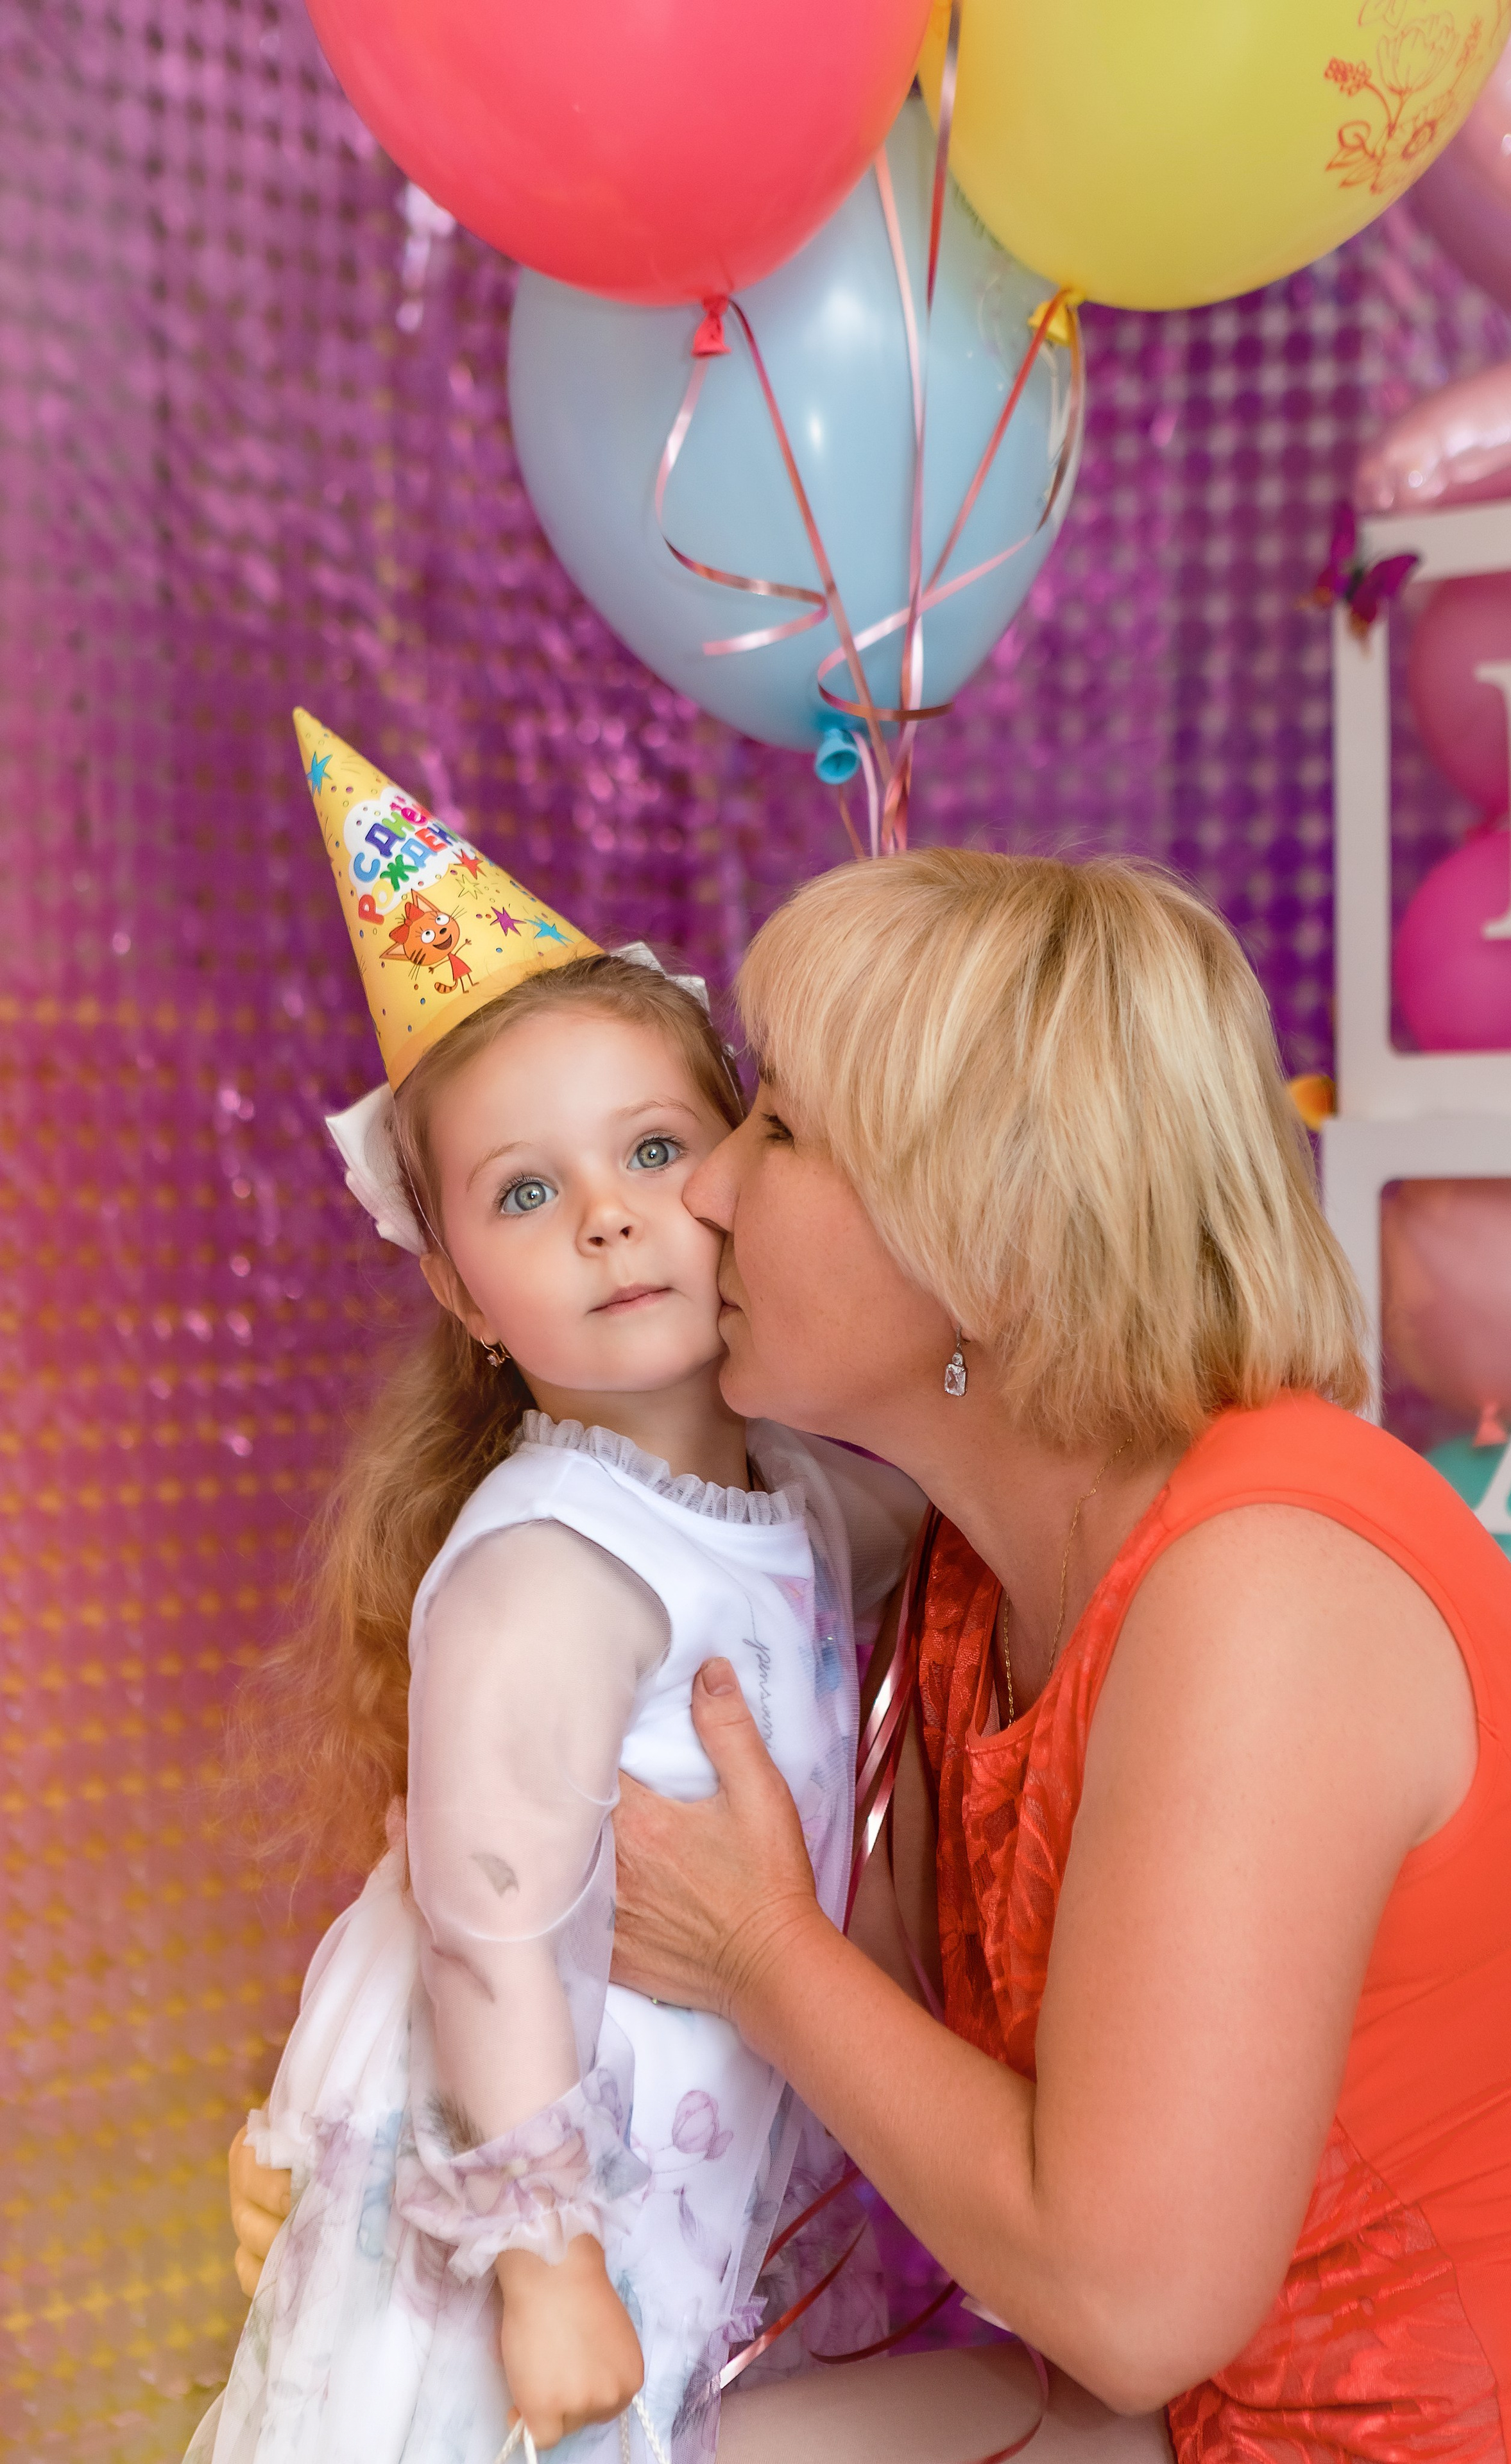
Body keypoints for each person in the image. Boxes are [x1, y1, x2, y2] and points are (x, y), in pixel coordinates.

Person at [231, 845, 1511, 2463]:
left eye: (776, 1130)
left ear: (977, 1236)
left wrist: (763, 1955)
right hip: (1196, 2410)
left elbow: (1120, 2297)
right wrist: (374, 2131)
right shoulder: (972, 1564)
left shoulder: (1264, 1594)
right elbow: (869, 1986)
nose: (701, 1192)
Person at [194, 719, 917, 2464]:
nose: (610, 1216)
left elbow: (930, 1510)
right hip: (516, 2190)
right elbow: (493, 1926)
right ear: (455, 1279)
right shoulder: (549, 1561)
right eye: (531, 1192)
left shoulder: (790, 1494)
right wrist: (542, 2261)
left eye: (655, 1151)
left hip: (674, 2169)